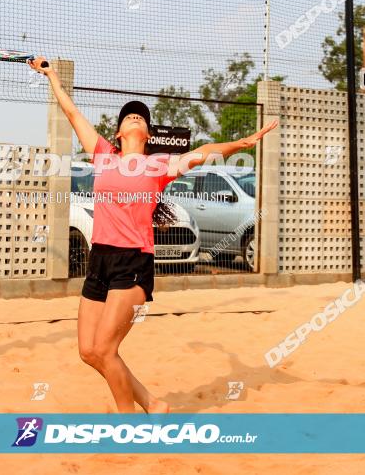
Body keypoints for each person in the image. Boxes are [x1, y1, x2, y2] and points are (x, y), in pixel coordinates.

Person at [28, 56, 278, 413]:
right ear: (118, 132)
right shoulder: (102, 156)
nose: (134, 116)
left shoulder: (158, 165)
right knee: (88, 351)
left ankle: (128, 423)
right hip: (99, 259)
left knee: (105, 350)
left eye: (140, 116)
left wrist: (239, 144)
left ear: (147, 133)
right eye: (128, 114)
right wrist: (51, 75)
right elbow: (72, 114)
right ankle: (151, 402)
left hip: (133, 262)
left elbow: (203, 153)